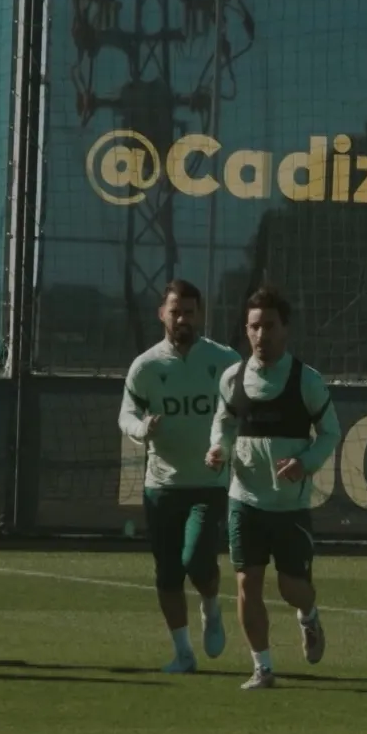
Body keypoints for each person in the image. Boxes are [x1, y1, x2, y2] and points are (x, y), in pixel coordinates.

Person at [206, 287, 343, 690]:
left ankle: (309, 615)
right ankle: (262, 668)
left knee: (292, 588)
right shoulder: (232, 378)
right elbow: (224, 423)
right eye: (253, 327)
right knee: (247, 582)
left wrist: (306, 463)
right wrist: (217, 449)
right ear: (245, 331)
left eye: (269, 326)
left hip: (289, 507)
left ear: (285, 329)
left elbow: (330, 431)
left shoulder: (306, 381)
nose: (261, 335)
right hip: (244, 500)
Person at [119, 279, 243, 673]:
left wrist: (225, 447)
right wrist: (142, 430)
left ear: (200, 315)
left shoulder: (224, 361)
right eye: (175, 311)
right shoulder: (146, 365)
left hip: (208, 481)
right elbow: (126, 413)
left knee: (196, 561)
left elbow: (244, 411)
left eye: (189, 311)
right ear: (162, 314)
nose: (182, 319)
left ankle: (210, 604)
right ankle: (183, 653)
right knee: (168, 573)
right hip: (162, 484)